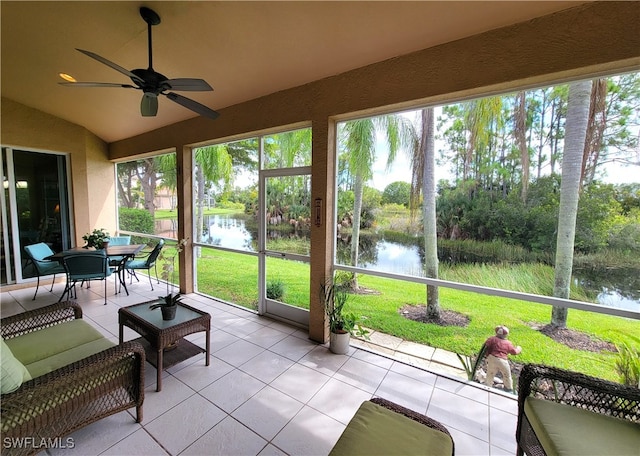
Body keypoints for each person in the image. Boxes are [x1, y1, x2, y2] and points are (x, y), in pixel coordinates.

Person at [484, 325, 522, 392]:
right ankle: (508, 388)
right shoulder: (508, 343)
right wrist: (519, 348)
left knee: (490, 373)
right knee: (507, 375)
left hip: (492, 358)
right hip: (502, 361)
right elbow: (514, 352)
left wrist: (487, 355)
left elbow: (486, 346)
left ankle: (487, 385)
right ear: (506, 335)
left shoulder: (491, 339)